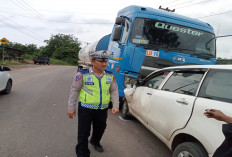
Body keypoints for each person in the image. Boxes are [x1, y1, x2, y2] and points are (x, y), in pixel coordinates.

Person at [67, 50, 119, 157]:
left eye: (105, 61)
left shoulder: (110, 76)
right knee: (83, 133)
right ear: (92, 61)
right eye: (100, 61)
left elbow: (114, 91)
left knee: (101, 128)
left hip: (102, 109)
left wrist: (116, 105)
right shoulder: (82, 75)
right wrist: (71, 107)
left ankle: (95, 141)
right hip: (86, 109)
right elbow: (74, 90)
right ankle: (82, 153)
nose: (104, 63)